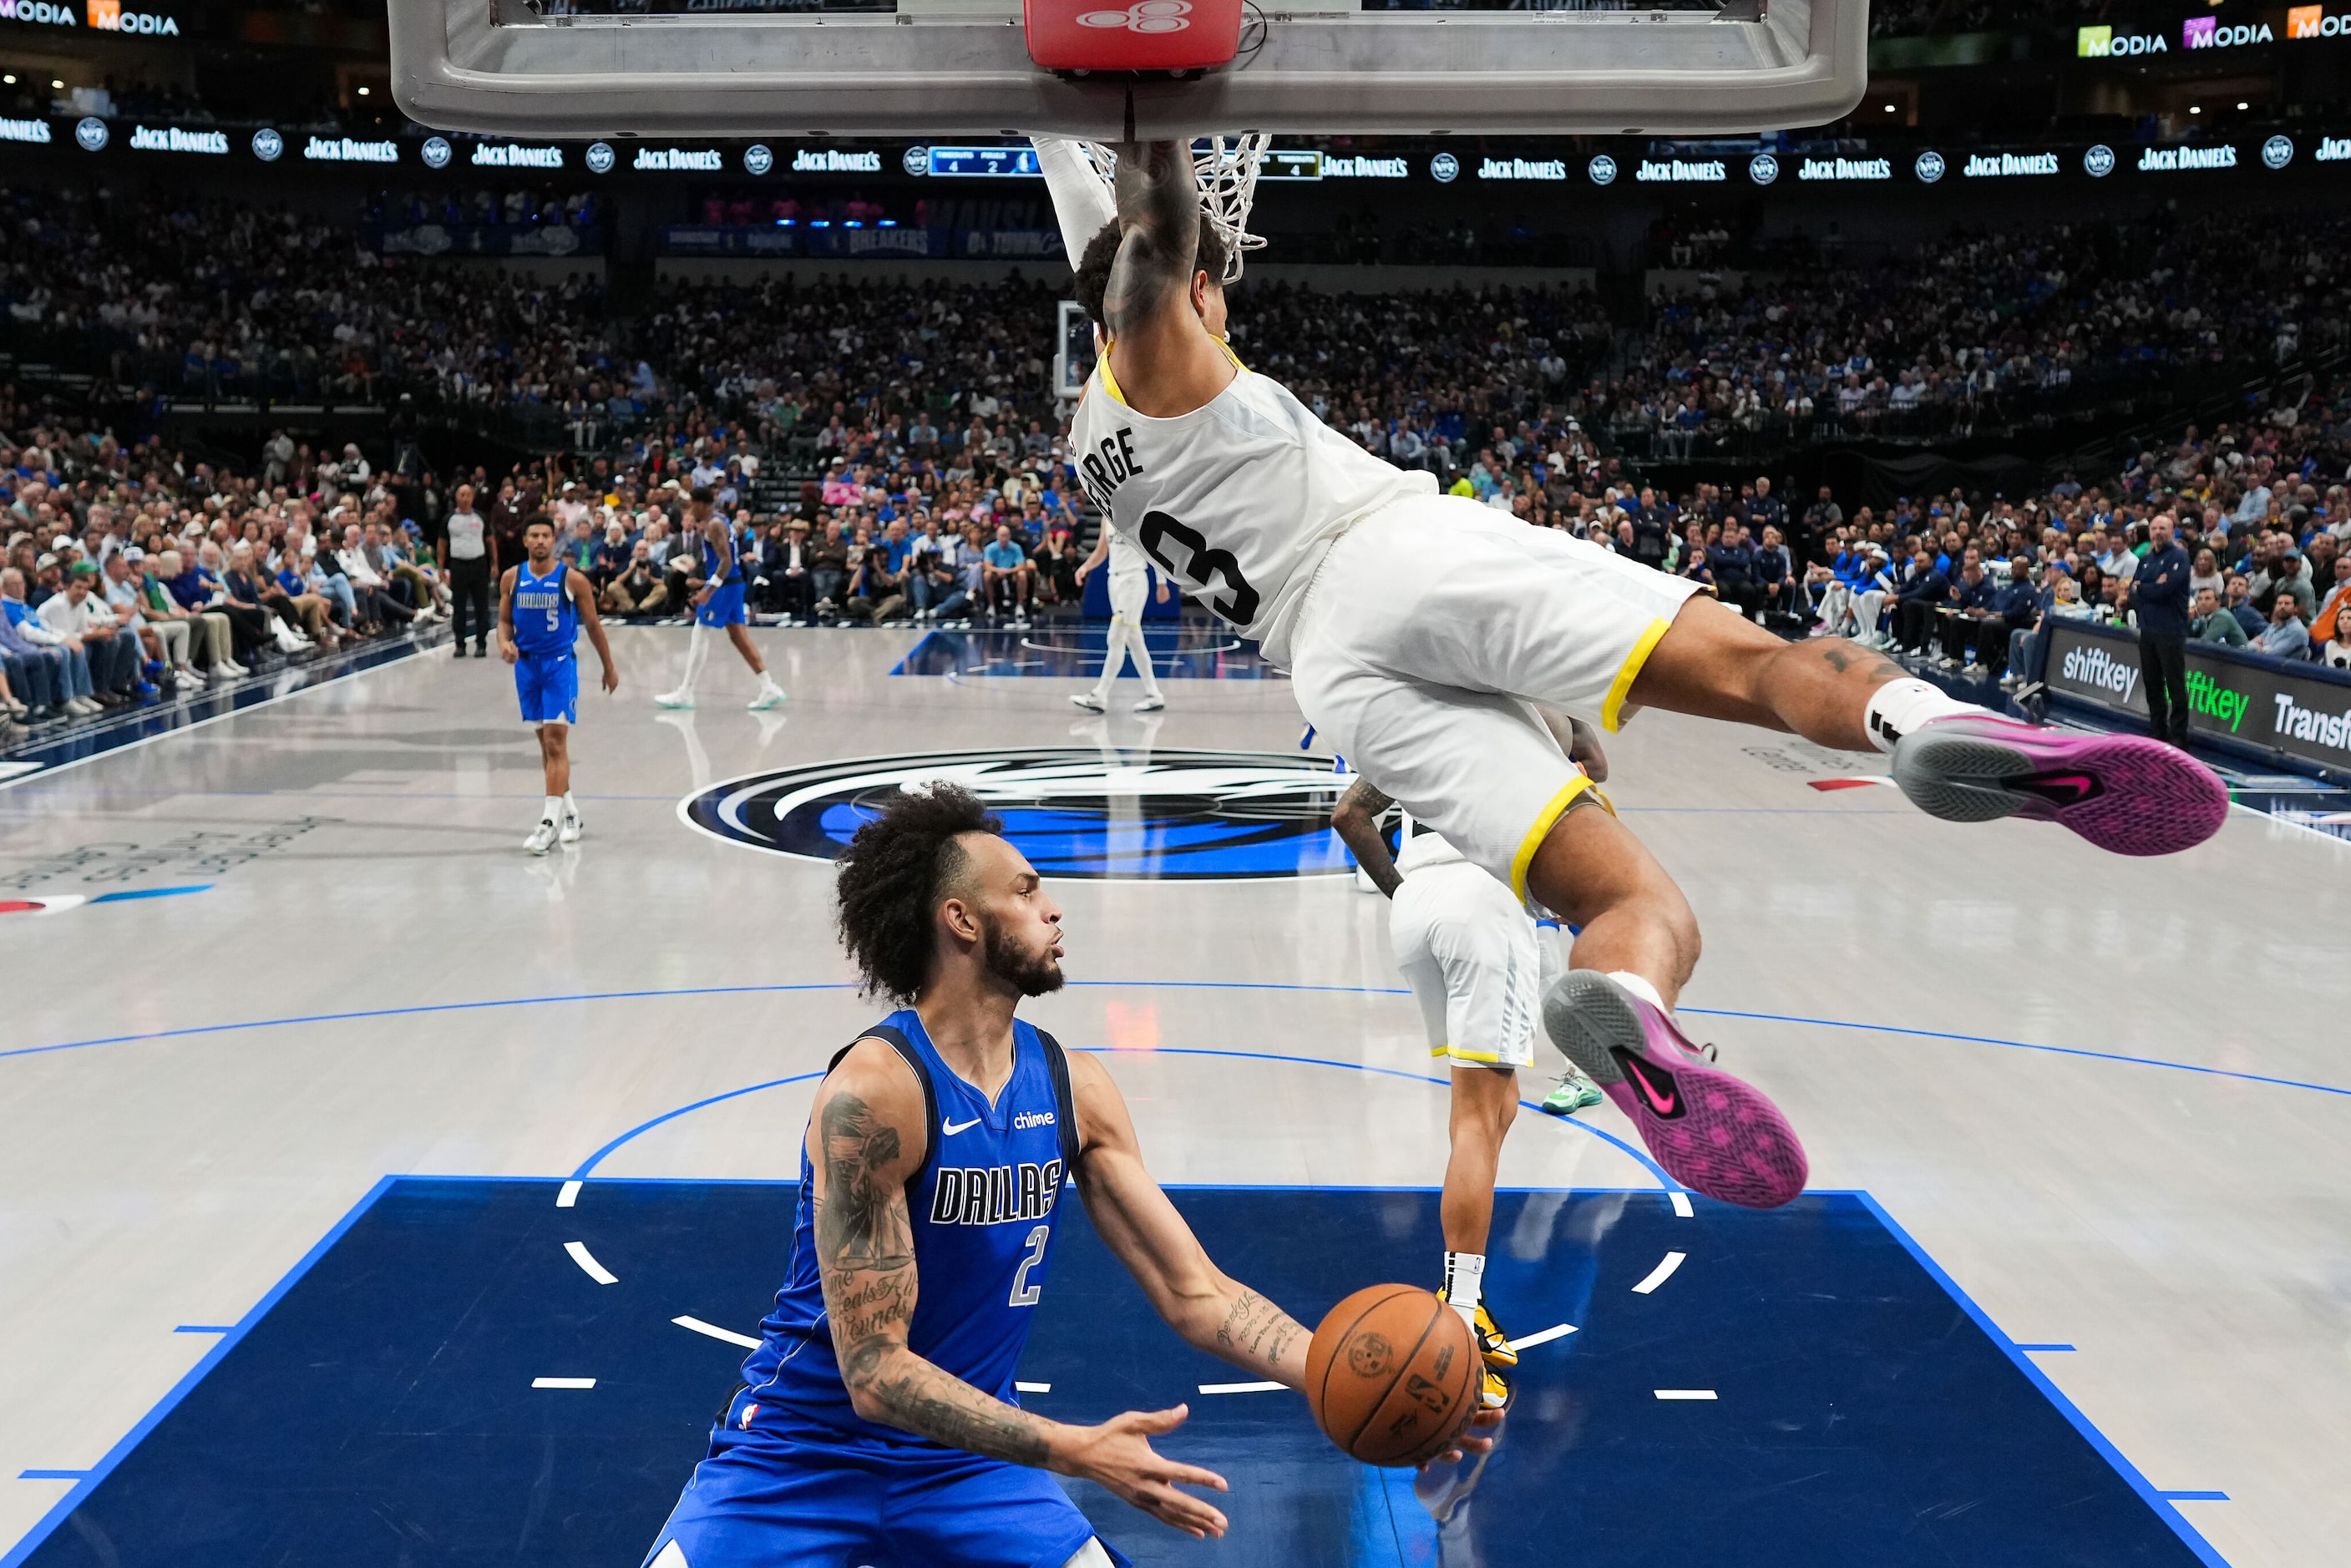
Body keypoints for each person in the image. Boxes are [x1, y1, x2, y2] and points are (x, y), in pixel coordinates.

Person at [1047, 139, 2227, 1207]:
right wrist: (1164, 98)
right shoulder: (1161, 342)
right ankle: (1924, 722)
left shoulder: (1090, 431)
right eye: (1209, 282)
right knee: (1758, 663)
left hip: (1332, 675)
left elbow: (1100, 236)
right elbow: (1148, 225)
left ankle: (1635, 1014)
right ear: (1174, 295)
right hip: (1388, 553)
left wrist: (1067, 133)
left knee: (1632, 907)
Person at [639, 786, 1495, 1565]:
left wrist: (1358, 1375)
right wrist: (1072, 1449)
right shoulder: (873, 1096)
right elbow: (874, 1372)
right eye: (1024, 891)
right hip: (797, 1456)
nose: (1051, 909)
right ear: (961, 922)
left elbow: (1195, 1292)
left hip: (974, 1468)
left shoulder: (1073, 1087)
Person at [1329, 755, 1609, 1414]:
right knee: (1478, 1122)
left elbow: (1348, 814)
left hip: (1418, 904)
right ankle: (1458, 1316)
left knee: (1494, 1106)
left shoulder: (1415, 726)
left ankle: (1462, 1297)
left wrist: (1407, 896)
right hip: (1482, 901)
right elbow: (1589, 779)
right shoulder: (1533, 719)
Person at [499, 514, 619, 854]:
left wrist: (609, 667)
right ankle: (571, 814)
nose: (540, 540)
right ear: (525, 540)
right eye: (534, 535)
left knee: (555, 743)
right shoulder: (512, 577)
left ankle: (547, 824)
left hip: (559, 667)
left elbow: (594, 625)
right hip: (526, 669)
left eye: (545, 535)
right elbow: (504, 622)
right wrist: (503, 644)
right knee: (547, 749)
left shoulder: (572, 579)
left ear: (554, 541)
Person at [656, 488, 787, 711]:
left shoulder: (714, 525)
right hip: (733, 585)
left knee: (700, 632)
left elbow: (726, 561)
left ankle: (686, 692)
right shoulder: (722, 520)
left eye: (691, 505)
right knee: (739, 638)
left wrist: (708, 589)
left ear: (701, 504)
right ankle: (769, 686)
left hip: (724, 587)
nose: (689, 510)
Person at [1071, 527, 1169, 714]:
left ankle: (1100, 695)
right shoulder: (1105, 516)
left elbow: (1154, 551)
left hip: (1133, 582)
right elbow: (1101, 550)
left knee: (1116, 637)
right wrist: (1085, 567)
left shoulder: (1133, 511)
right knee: (1134, 640)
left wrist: (1161, 583)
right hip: (1114, 582)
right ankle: (1154, 694)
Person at [2131, 512, 2193, 746]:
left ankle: (2178, 736)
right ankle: (2157, 730)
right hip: (2147, 629)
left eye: (2163, 529)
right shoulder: (2146, 560)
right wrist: (2148, 588)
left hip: (2170, 631)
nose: (2158, 533)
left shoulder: (2179, 557)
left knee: (2175, 685)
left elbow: (2166, 590)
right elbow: (2132, 592)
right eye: (2154, 529)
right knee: (2152, 683)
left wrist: (2143, 589)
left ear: (2172, 531)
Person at [443, 482, 493, 657]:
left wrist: (494, 564)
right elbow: (442, 544)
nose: (464, 498)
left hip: (479, 565)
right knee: (459, 606)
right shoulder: (449, 519)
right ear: (456, 497)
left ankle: (481, 642)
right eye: (461, 495)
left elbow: (491, 541)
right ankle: (460, 643)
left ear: (473, 497)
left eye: (467, 495)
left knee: (482, 606)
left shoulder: (481, 517)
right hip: (458, 565)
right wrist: (442, 568)